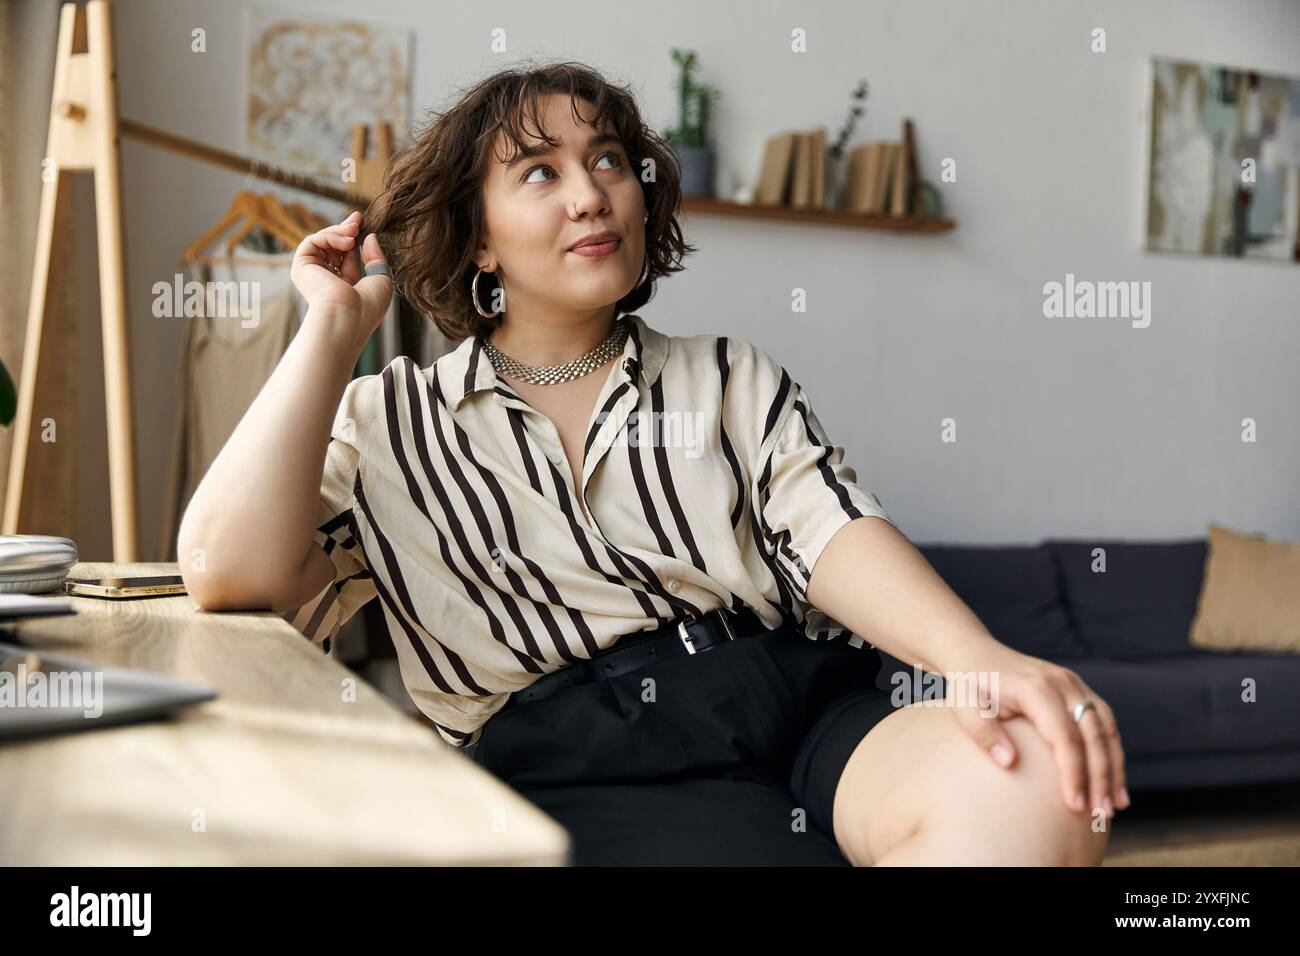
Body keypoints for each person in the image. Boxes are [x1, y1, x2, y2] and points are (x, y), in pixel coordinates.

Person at [178, 61, 1128, 866]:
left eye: (608, 161)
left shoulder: (728, 375)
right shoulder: (387, 418)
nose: (591, 192)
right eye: (539, 174)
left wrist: (976, 660)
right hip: (564, 757)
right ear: (478, 237)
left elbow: (833, 530)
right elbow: (228, 571)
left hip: (790, 707)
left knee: (1036, 775)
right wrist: (331, 331)